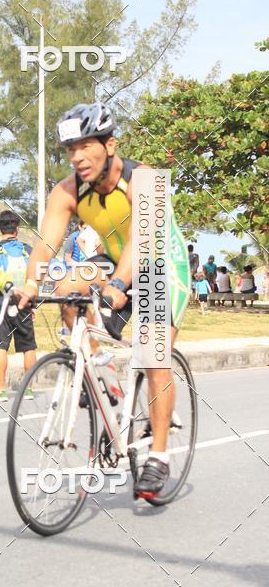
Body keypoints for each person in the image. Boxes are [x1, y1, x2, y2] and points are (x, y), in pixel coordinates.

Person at [14, 101, 191, 500]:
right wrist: (29, 282)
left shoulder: (146, 180)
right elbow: (46, 243)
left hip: (161, 264)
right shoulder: (67, 190)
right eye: (70, 150)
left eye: (85, 147)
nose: (77, 157)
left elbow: (143, 242)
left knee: (153, 354)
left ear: (110, 144)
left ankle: (158, 457)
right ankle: (101, 374)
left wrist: (119, 284)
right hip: (112, 261)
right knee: (65, 287)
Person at [0, 210, 37, 401]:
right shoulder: (28, 250)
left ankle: (0, 390)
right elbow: (33, 279)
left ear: (0, 227)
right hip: (23, 302)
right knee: (28, 346)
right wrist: (33, 304)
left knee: (1, 346)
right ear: (17, 228)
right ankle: (28, 390)